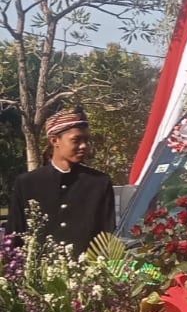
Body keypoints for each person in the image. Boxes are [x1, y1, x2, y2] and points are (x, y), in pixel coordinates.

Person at [8, 107, 116, 256]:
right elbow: (14, 237)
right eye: (76, 140)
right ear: (54, 140)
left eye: (86, 140)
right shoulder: (27, 183)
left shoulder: (99, 182)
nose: (83, 146)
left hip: (88, 275)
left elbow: (108, 236)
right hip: (39, 275)